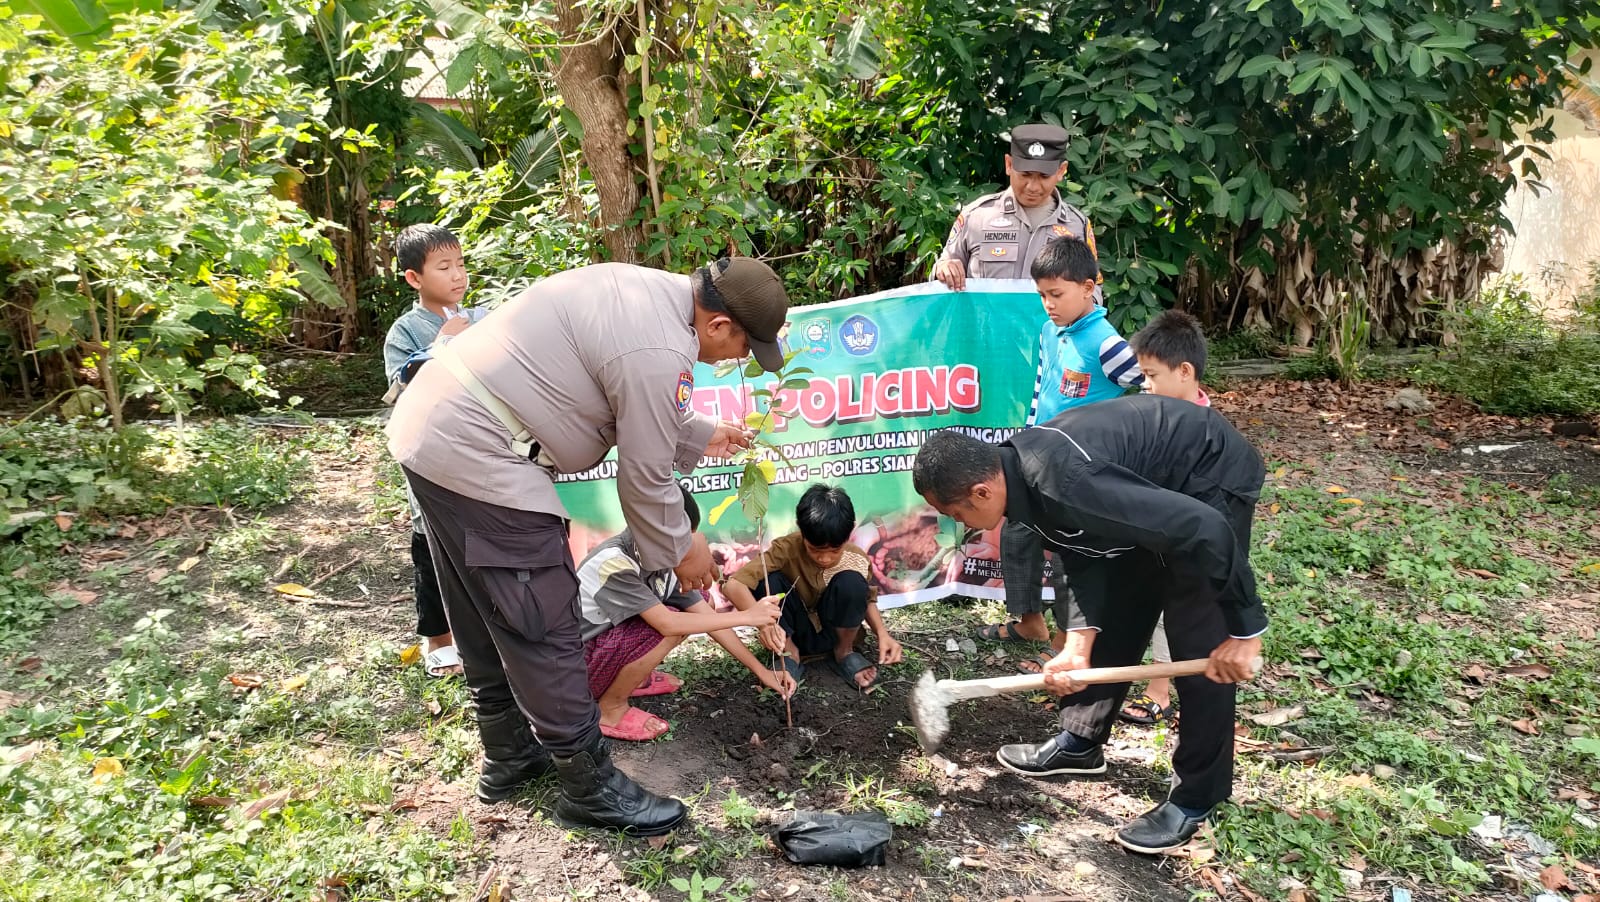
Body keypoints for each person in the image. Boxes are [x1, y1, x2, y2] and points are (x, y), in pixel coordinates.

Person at [387, 256, 789, 836]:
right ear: (719, 324)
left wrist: (702, 433)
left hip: (438, 431)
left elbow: (631, 401)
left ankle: (509, 755)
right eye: (745, 347)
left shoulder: (647, 293)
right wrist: (685, 546)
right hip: (478, 449)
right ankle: (589, 786)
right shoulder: (660, 350)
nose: (740, 360)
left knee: (482, 611)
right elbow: (646, 475)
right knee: (542, 615)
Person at [910, 398, 1268, 853]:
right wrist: (1078, 643)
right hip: (1151, 486)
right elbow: (1080, 548)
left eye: (957, 514)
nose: (960, 524)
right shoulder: (1020, 481)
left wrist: (1244, 631)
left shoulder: (1065, 482)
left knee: (1198, 639)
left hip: (1206, 477)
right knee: (1121, 602)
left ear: (981, 491)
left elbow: (1207, 529)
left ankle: (1198, 799)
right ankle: (1081, 743)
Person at [978, 237, 1142, 674]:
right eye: (1043, 296)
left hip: (1082, 469)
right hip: (1041, 454)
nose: (1049, 305)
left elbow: (1151, 387)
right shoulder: (1050, 331)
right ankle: (1028, 620)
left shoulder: (1107, 344)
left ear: (1089, 288)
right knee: (1018, 533)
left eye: (1057, 295)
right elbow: (1041, 387)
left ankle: (1067, 642)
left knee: (1073, 554)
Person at [578, 486, 796, 742]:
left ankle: (633, 679)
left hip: (605, 652)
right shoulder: (613, 564)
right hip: (578, 672)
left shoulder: (661, 557)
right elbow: (668, 623)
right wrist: (748, 616)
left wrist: (761, 671)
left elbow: (710, 619)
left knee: (701, 602)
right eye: (682, 540)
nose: (686, 547)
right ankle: (610, 709)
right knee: (673, 621)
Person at [381, 224, 489, 678]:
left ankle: (478, 635)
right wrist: (444, 342)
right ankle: (438, 641)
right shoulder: (405, 331)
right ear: (413, 278)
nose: (457, 275)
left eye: (461, 264)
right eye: (443, 267)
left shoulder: (485, 318)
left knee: (477, 542)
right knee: (430, 544)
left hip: (479, 447)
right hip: (429, 451)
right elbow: (401, 389)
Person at [1118, 310, 1212, 725]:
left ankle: (1160, 689)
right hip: (1147, 533)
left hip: (1183, 540)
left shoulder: (1207, 431)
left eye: (1152, 375)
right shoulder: (1149, 413)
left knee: (1170, 613)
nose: (1146, 384)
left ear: (1185, 372)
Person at [720, 485, 904, 693]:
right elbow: (734, 586)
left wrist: (882, 634)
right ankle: (790, 655)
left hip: (835, 631)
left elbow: (867, 599)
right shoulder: (786, 548)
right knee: (767, 580)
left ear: (849, 533)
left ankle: (844, 653)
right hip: (792, 632)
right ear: (801, 530)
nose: (825, 558)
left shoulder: (856, 557)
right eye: (815, 550)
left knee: (853, 583)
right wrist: (764, 625)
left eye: (835, 551)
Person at [931, 123, 1099, 293]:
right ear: (1009, 164)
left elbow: (1093, 290)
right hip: (985, 320)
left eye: (1044, 176)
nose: (1032, 186)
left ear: (1061, 171)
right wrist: (943, 269)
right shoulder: (976, 217)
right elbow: (942, 278)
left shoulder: (1077, 226)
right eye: (1025, 174)